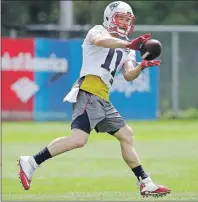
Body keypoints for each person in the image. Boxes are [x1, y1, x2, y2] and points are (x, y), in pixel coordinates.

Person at [18, 1, 171, 197]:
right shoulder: (99, 30)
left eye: (127, 20)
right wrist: (127, 44)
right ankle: (31, 161)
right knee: (78, 139)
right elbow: (100, 41)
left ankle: (146, 182)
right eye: (120, 18)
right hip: (89, 91)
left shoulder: (129, 49)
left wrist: (142, 66)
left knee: (126, 135)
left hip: (103, 98)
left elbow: (128, 74)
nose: (124, 23)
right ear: (109, 18)